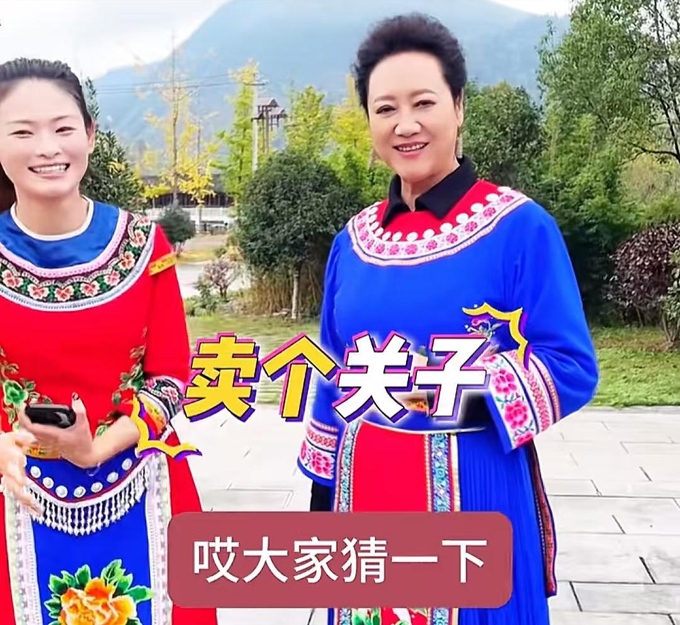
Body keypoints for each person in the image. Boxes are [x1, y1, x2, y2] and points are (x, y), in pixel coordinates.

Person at [297, 13, 599, 625]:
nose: (405, 124)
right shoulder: (352, 243)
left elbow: (570, 365)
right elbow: (333, 372)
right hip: (364, 498)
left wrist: (452, 387)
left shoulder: (518, 228)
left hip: (476, 488)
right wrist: (322, 502)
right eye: (385, 109)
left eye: (423, 103)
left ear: (459, 107)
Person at [0, 58, 217, 625]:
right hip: (14, 491)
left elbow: (170, 378)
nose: (47, 147)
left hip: (140, 484)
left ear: (90, 135)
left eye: (62, 128)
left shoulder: (143, 244)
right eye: (22, 132)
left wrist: (95, 449)